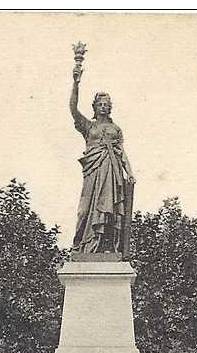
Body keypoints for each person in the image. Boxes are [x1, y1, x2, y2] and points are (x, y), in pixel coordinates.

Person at [69, 60, 135, 255]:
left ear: (110, 107)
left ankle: (106, 248)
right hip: (94, 171)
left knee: (110, 212)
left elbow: (121, 152)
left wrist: (129, 172)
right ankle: (81, 246)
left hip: (112, 175)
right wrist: (76, 83)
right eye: (100, 104)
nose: (103, 107)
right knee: (84, 211)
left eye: (107, 104)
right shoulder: (89, 127)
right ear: (95, 106)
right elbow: (73, 109)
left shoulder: (116, 130)